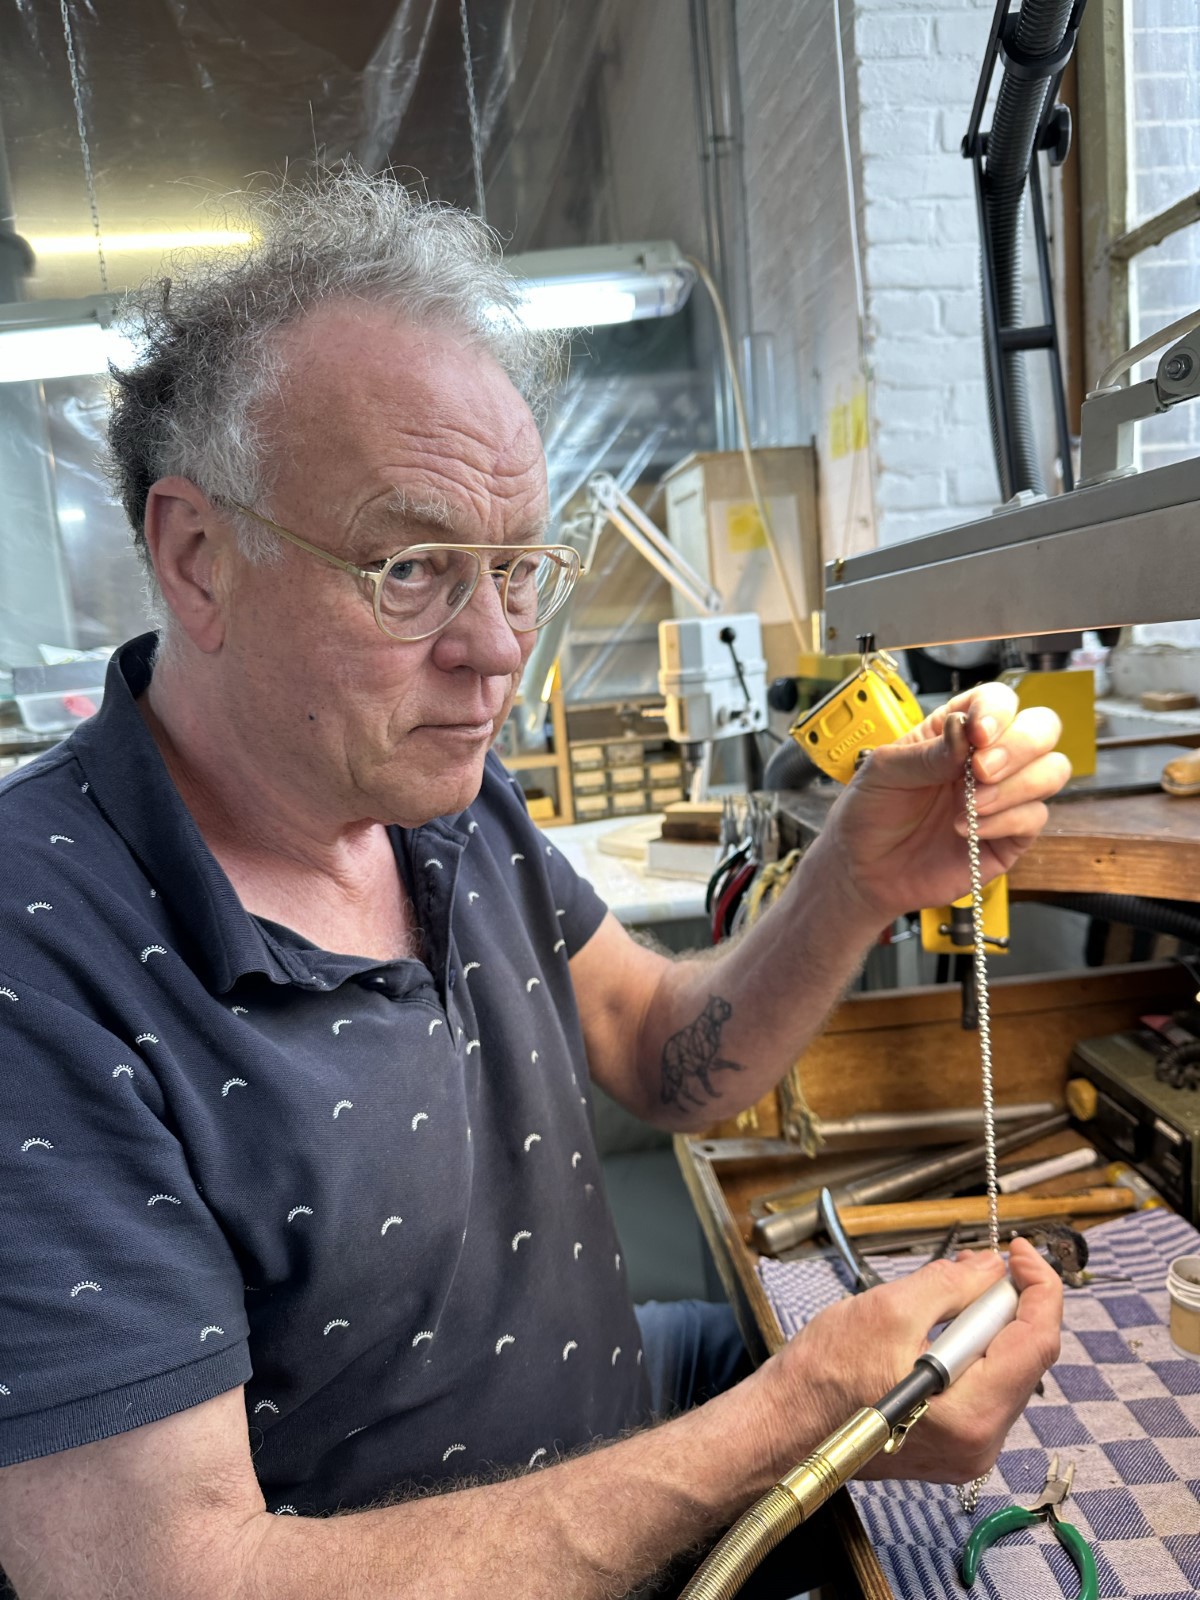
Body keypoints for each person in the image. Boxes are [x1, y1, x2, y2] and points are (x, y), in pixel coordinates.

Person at [0, 167, 1068, 1600]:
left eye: (515, 568)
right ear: (198, 556)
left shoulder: (442, 800)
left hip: (629, 1491)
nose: (498, 650)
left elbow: (658, 1054)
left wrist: (857, 879)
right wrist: (800, 1419)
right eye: (411, 568)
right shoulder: (42, 963)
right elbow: (164, 1579)